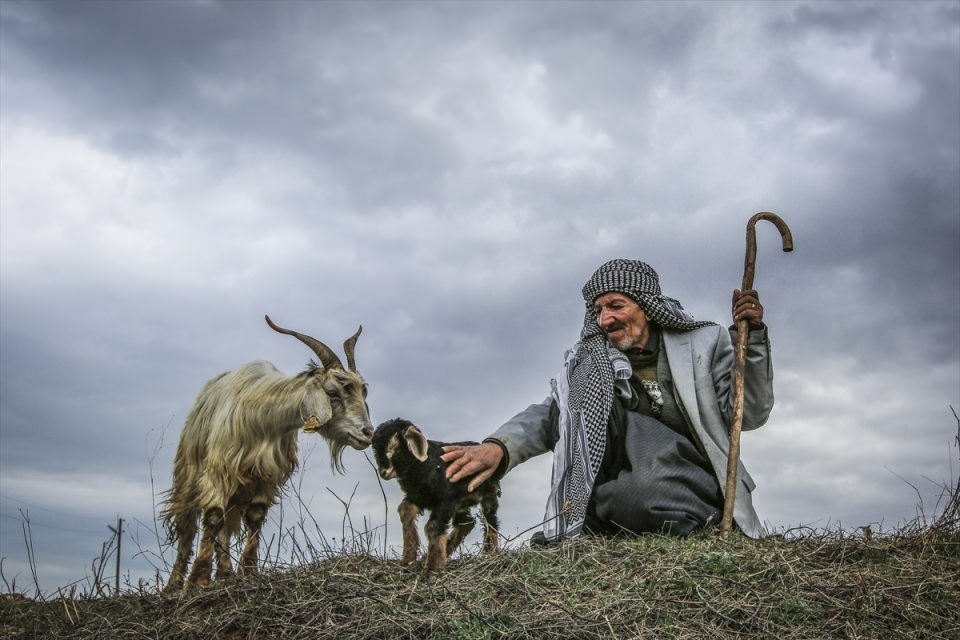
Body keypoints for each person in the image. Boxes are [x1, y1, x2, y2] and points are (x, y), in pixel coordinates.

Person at [441, 259, 774, 542]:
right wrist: (499, 448)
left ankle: (698, 518)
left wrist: (754, 340)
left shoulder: (705, 341)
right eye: (599, 309)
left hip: (694, 477)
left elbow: (748, 416)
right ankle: (591, 518)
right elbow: (554, 414)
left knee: (624, 497)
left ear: (647, 307)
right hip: (635, 477)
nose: (605, 319)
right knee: (612, 492)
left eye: (616, 305)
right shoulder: (593, 362)